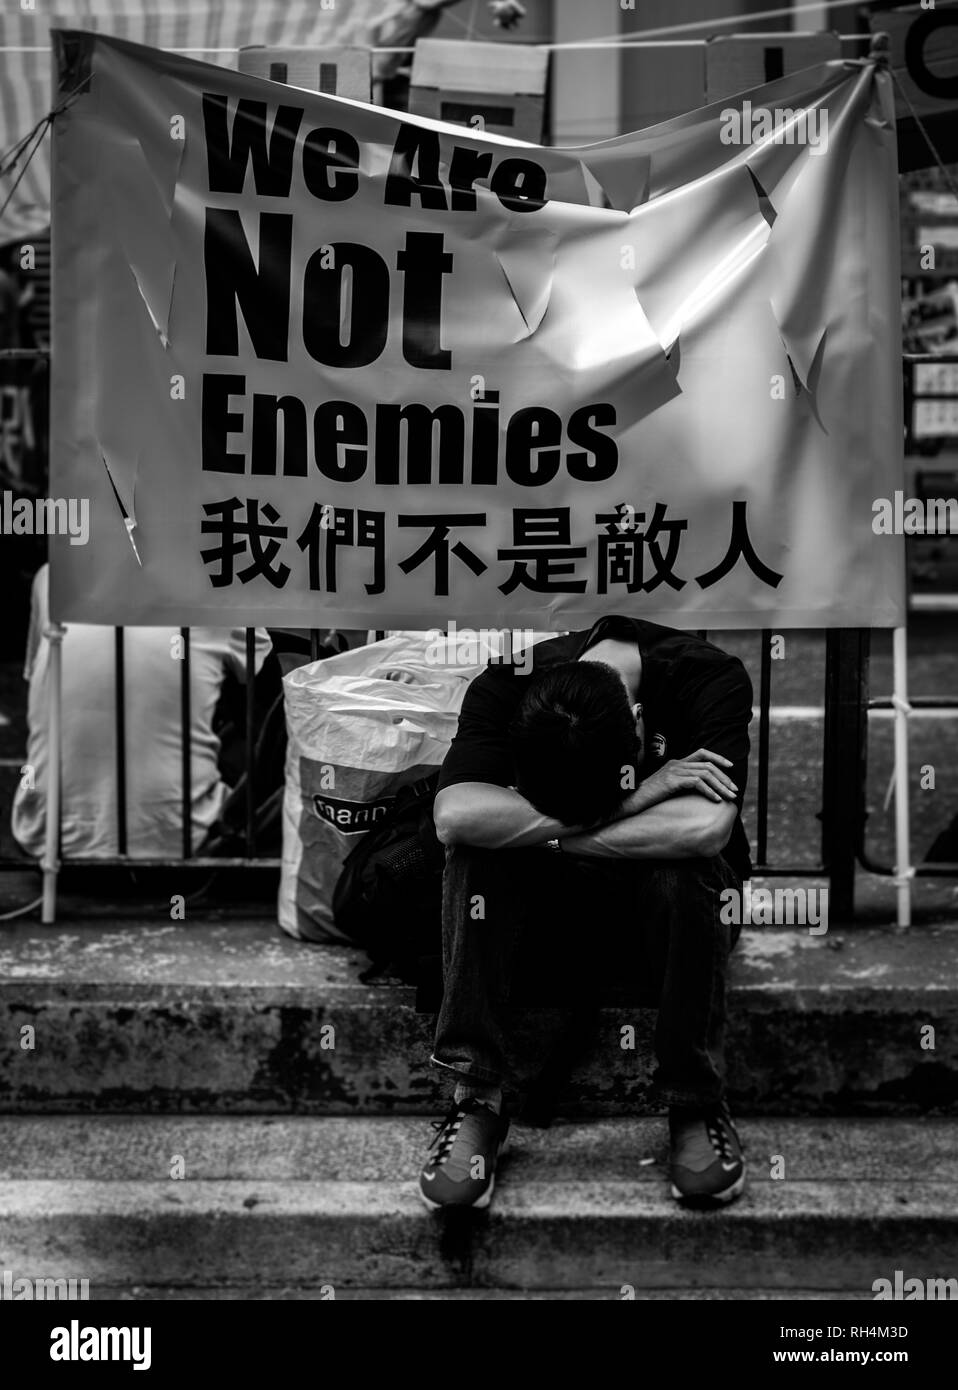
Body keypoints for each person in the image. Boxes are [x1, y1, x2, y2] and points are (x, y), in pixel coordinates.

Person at [418, 614, 753, 1209]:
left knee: (686, 869)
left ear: (641, 725)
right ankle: (475, 1098)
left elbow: (706, 828)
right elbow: (456, 816)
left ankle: (696, 1100)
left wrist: (543, 831)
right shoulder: (508, 685)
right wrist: (636, 797)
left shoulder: (708, 679)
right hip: (550, 910)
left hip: (668, 916)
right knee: (477, 856)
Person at [11, 565, 274, 859]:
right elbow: (267, 705)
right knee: (251, 709)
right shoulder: (221, 579)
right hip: (181, 836)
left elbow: (44, 683)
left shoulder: (53, 573)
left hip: (48, 836)